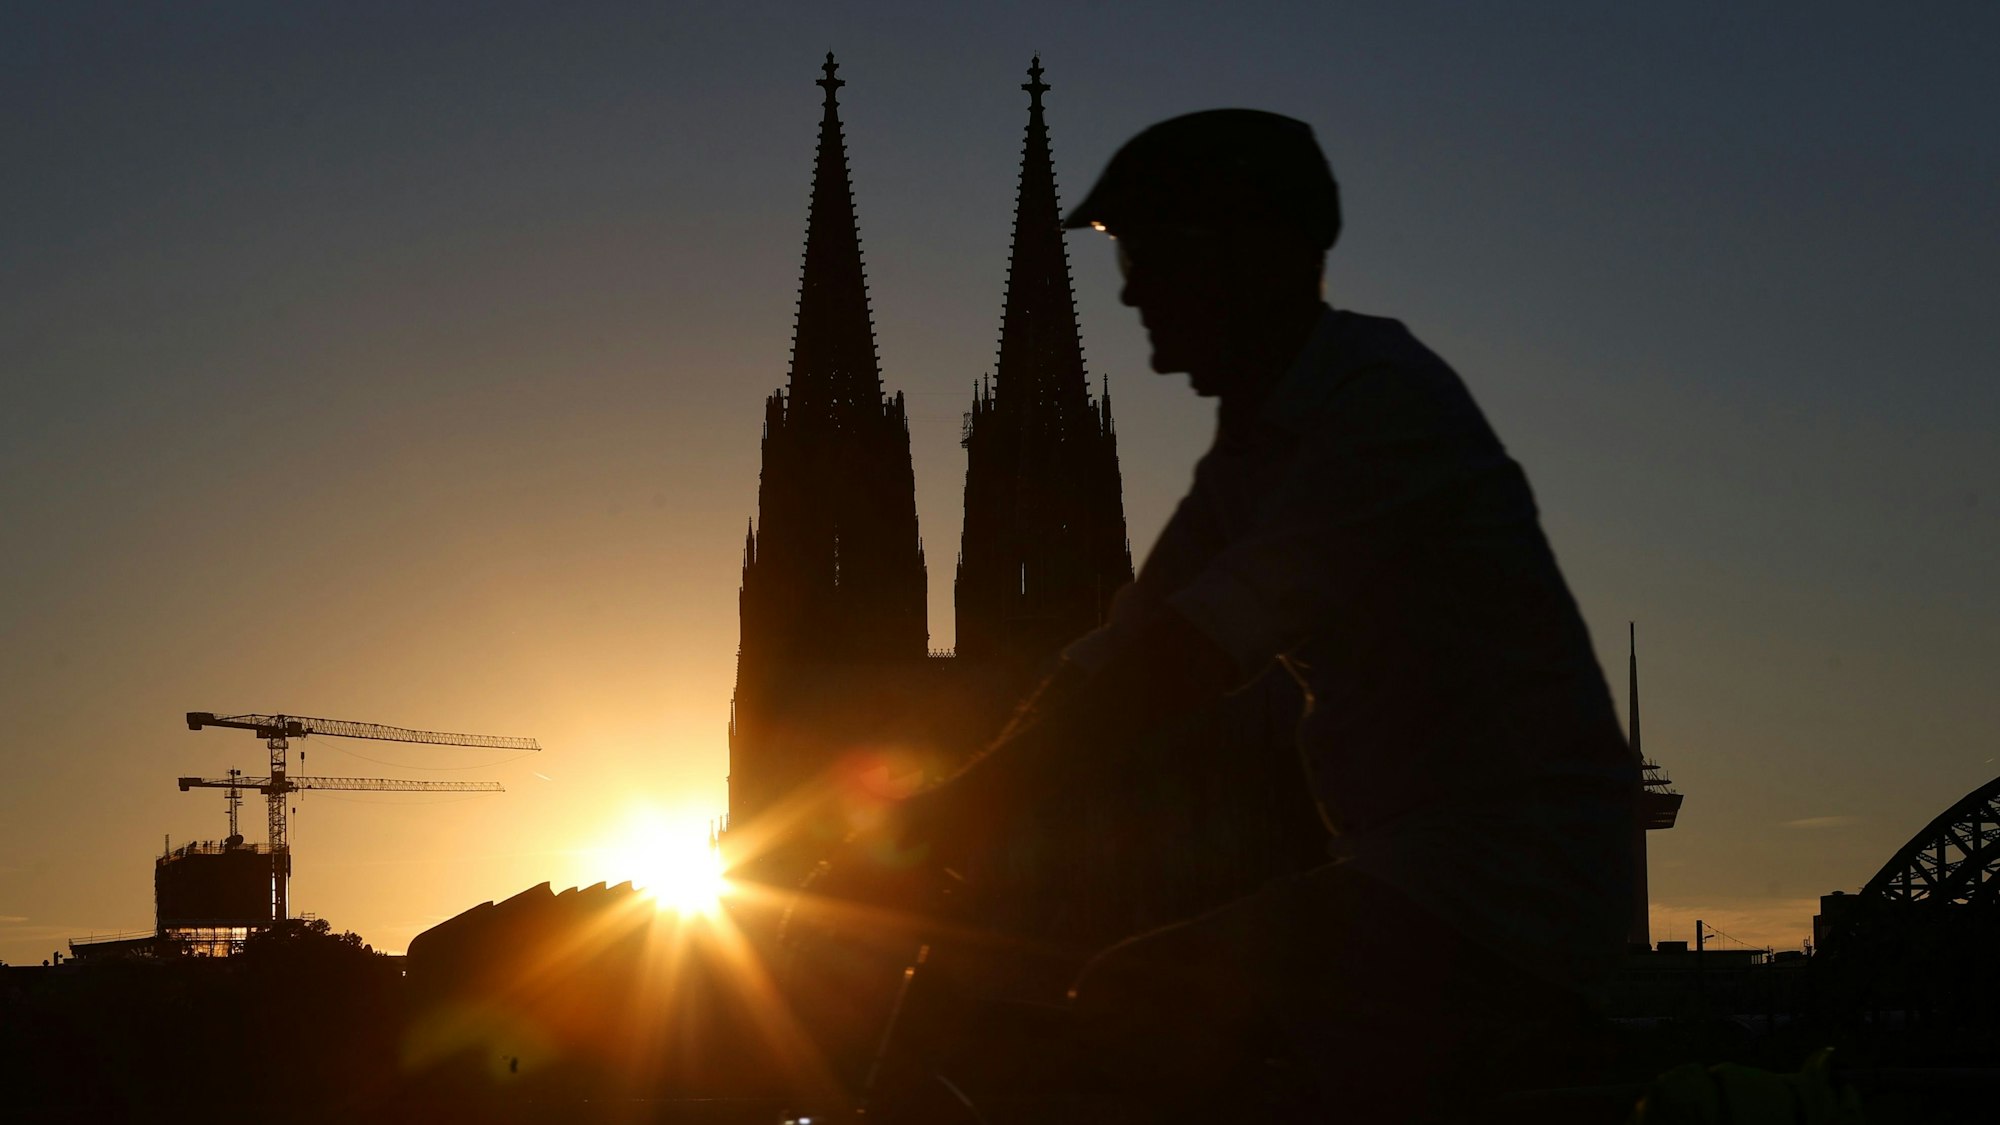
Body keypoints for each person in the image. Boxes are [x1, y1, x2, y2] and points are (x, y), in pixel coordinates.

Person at [883, 109, 1637, 1123]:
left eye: (1152, 257)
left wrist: (974, 804)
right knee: (1101, 1013)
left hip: (1505, 889)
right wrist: (961, 795)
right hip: (1420, 874)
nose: (1131, 291)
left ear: (1245, 258)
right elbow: (1115, 651)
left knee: (1138, 998)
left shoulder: (1376, 407)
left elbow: (1188, 656)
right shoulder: (1255, 455)